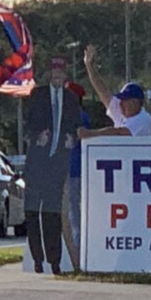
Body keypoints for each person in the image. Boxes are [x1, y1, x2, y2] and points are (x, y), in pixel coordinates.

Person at [23, 57, 84, 275]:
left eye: (61, 73)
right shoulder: (37, 96)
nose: (57, 77)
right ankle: (37, 258)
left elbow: (77, 127)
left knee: (53, 213)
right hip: (37, 163)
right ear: (49, 75)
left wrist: (71, 140)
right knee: (33, 212)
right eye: (54, 73)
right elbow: (27, 126)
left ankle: (54, 260)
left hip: (57, 164)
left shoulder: (70, 99)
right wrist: (36, 137)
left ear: (65, 75)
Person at [78, 44, 151, 138]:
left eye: (126, 100)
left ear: (135, 102)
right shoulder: (121, 109)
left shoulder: (144, 118)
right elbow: (102, 91)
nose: (121, 103)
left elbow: (120, 133)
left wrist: (91, 134)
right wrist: (89, 66)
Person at [60, 80, 91, 272]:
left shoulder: (77, 117)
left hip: (74, 171)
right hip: (68, 170)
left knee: (74, 214)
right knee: (70, 214)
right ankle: (73, 254)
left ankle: (79, 254)